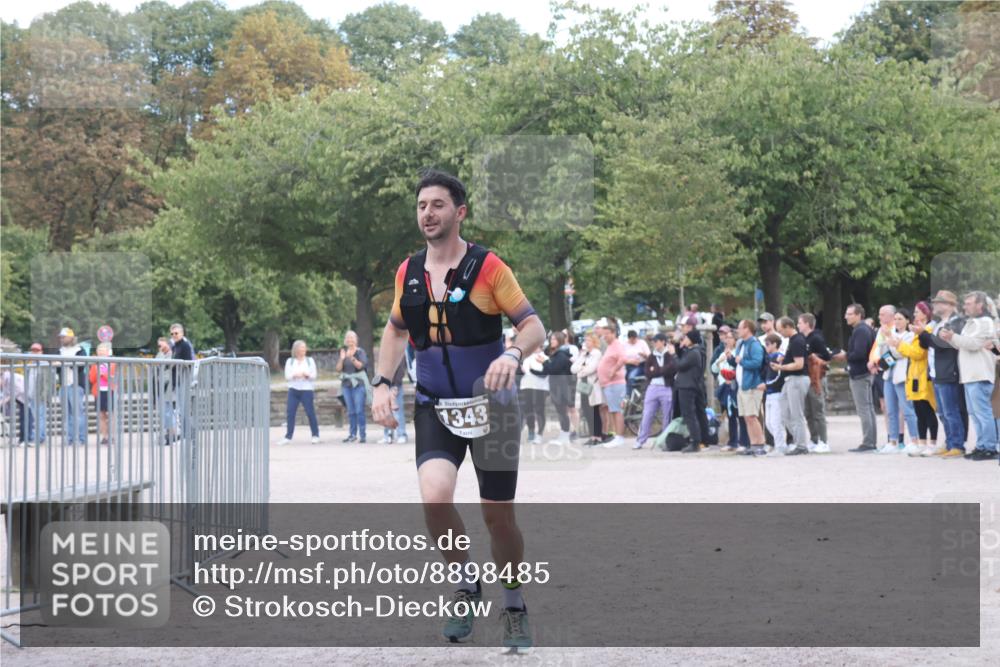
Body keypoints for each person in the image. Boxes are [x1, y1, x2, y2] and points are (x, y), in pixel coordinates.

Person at [369, 170, 545, 650]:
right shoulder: (408, 272)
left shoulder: (489, 268)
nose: (428, 213)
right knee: (435, 497)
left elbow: (533, 327)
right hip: (435, 405)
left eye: (438, 205)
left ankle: (513, 604)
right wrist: (383, 382)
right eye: (422, 205)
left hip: (493, 408)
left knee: (498, 518)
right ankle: (467, 584)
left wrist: (512, 354)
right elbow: (395, 329)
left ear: (459, 212)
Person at [939, 291, 999, 461]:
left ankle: (989, 447)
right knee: (974, 413)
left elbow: (974, 344)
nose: (965, 306)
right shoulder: (970, 323)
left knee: (983, 413)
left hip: (979, 373)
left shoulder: (986, 322)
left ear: (980, 305)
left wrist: (953, 337)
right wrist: (950, 339)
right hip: (969, 374)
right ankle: (981, 445)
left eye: (969, 303)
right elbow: (962, 345)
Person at [918, 291, 967, 457]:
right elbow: (928, 344)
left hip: (948, 370)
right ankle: (949, 441)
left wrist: (924, 334)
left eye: (940, 302)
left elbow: (941, 343)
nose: (936, 305)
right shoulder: (939, 323)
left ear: (950, 305)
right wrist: (922, 334)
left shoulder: (956, 322)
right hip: (937, 370)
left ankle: (957, 444)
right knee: (942, 411)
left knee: (951, 410)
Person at [893, 304, 938, 456]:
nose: (914, 314)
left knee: (928, 410)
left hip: (924, 375)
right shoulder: (916, 332)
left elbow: (919, 353)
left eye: (917, 312)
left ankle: (932, 444)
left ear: (925, 314)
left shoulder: (928, 331)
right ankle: (922, 443)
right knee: (919, 411)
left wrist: (899, 345)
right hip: (914, 375)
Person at [834, 304, 878, 452]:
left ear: (859, 315)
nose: (846, 316)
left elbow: (859, 353)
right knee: (868, 408)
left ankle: (868, 442)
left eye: (850, 314)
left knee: (864, 409)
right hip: (864, 372)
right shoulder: (864, 330)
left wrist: (845, 355)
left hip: (860, 374)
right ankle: (870, 441)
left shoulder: (861, 331)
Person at [876, 308, 920, 454]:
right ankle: (892, 440)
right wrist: (885, 341)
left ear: (907, 320)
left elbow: (899, 353)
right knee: (890, 410)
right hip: (889, 375)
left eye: (900, 319)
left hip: (902, 375)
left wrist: (890, 342)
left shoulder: (910, 336)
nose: (897, 322)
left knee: (907, 409)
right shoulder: (890, 334)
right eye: (895, 319)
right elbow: (883, 353)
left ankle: (915, 439)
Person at [772, 317, 810, 456]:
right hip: (790, 380)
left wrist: (781, 366)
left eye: (781, 330)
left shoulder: (797, 341)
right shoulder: (793, 340)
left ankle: (801, 445)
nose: (780, 333)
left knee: (796, 413)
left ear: (788, 326)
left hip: (797, 379)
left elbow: (799, 364)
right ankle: (799, 440)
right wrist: (784, 359)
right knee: (784, 410)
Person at [634, 333, 676, 450]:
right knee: (647, 414)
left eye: (657, 341)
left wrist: (657, 370)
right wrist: (661, 370)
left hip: (666, 387)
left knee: (666, 415)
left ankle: (664, 440)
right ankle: (640, 440)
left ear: (663, 342)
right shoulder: (651, 356)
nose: (655, 343)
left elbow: (672, 369)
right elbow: (648, 372)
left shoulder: (669, 355)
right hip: (652, 387)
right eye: (654, 341)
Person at [532, 332, 575, 445]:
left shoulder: (561, 355)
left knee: (562, 411)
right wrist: (532, 370)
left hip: (561, 386)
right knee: (560, 411)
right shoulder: (556, 354)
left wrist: (544, 361)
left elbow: (553, 369)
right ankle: (563, 433)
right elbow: (547, 371)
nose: (551, 341)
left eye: (554, 340)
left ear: (560, 341)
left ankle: (565, 435)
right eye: (551, 339)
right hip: (556, 386)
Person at [798, 314, 832, 453]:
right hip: (807, 378)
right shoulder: (802, 339)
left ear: (807, 324)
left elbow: (827, 356)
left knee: (818, 411)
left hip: (816, 378)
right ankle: (814, 439)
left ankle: (824, 441)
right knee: (808, 412)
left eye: (800, 322)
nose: (798, 325)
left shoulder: (816, 338)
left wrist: (815, 357)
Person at [734, 319, 768, 457]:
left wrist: (741, 361)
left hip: (752, 386)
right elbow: (737, 362)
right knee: (747, 417)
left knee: (752, 416)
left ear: (747, 329)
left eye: (740, 327)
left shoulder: (754, 344)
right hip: (742, 386)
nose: (738, 330)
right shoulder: (741, 344)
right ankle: (752, 444)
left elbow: (757, 362)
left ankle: (760, 444)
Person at [278, 340, 320, 446]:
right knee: (290, 413)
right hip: (294, 389)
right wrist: (295, 375)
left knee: (310, 413)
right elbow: (287, 376)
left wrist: (306, 375)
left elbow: (314, 375)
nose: (303, 350)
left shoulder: (310, 361)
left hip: (307, 390)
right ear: (296, 350)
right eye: (301, 348)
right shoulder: (290, 361)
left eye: (304, 348)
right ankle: (288, 436)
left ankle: (315, 435)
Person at [595, 317, 627, 448]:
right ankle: (616, 435)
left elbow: (623, 358)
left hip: (615, 383)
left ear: (613, 333)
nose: (605, 337)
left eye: (607, 335)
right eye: (604, 335)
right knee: (613, 410)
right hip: (608, 383)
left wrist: (613, 370)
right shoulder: (610, 346)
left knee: (616, 410)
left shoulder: (617, 345)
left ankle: (619, 436)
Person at [675, 329, 708, 453]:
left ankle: (695, 442)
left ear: (692, 339)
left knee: (689, 414)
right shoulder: (691, 351)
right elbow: (681, 355)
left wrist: (673, 355)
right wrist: (677, 345)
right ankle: (696, 439)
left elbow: (680, 365)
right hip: (686, 385)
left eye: (686, 338)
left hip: (688, 386)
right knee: (689, 414)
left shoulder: (694, 353)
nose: (684, 340)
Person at [57, 327, 88, 445]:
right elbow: (57, 368)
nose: (61, 339)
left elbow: (80, 366)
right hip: (63, 385)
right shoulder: (60, 350)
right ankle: (69, 438)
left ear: (71, 337)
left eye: (63, 337)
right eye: (60, 337)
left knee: (78, 413)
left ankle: (81, 438)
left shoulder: (80, 350)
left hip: (75, 385)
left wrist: (64, 363)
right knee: (67, 414)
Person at [572, 331, 604, 446]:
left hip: (592, 385)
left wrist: (580, 371)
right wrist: (581, 368)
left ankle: (598, 436)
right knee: (586, 411)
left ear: (594, 342)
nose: (586, 342)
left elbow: (591, 369)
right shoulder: (583, 354)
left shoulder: (596, 353)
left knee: (594, 411)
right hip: (583, 385)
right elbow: (573, 368)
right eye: (586, 340)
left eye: (589, 340)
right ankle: (592, 436)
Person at [336, 331, 369, 443]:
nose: (350, 340)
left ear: (356, 340)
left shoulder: (360, 352)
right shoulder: (343, 352)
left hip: (358, 384)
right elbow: (338, 369)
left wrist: (352, 358)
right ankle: (352, 434)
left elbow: (362, 366)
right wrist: (342, 358)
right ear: (345, 340)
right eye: (348, 338)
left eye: (352, 338)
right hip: (346, 385)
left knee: (359, 410)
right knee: (351, 411)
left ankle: (363, 435)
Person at [711, 327, 739, 450]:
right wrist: (718, 362)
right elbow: (713, 369)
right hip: (724, 386)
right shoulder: (722, 352)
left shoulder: (738, 352)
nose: (726, 340)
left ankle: (741, 441)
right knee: (729, 414)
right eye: (725, 338)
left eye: (729, 338)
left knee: (738, 414)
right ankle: (732, 441)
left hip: (734, 385)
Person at [169, 323, 194, 443]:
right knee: (180, 408)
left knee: (184, 408)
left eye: (176, 333)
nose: (174, 335)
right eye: (172, 333)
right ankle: (185, 433)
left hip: (183, 379)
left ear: (182, 333)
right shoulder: (174, 346)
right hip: (177, 380)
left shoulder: (185, 345)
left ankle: (187, 433)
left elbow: (189, 363)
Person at [88, 342, 117, 446]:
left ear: (107, 352)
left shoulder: (112, 363)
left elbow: (112, 377)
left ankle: (113, 436)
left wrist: (103, 374)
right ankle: (104, 436)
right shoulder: (95, 365)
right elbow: (91, 379)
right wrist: (97, 372)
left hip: (110, 390)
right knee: (101, 415)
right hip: (99, 391)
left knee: (112, 414)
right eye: (99, 351)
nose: (101, 353)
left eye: (103, 351)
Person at [520, 346, 550, 445]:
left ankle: (540, 434)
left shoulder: (545, 358)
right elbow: (525, 370)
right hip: (527, 386)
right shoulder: (527, 358)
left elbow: (543, 372)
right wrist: (530, 371)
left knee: (539, 410)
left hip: (541, 387)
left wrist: (531, 370)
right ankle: (531, 431)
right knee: (528, 409)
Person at [762, 333, 786, 451]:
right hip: (769, 394)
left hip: (776, 393)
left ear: (775, 344)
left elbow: (779, 375)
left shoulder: (778, 356)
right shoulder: (770, 357)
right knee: (768, 423)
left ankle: (780, 446)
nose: (766, 347)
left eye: (767, 344)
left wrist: (767, 385)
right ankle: (780, 444)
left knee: (776, 421)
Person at [25, 343, 52, 446]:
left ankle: (39, 437)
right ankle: (38, 436)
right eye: (33, 351)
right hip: (31, 395)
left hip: (39, 395)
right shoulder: (30, 364)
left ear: (41, 352)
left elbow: (47, 382)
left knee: (40, 416)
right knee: (35, 417)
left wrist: (43, 395)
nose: (35, 353)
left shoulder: (44, 364)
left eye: (37, 351)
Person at [380, 358, 409, 444]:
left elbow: (401, 370)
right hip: (385, 385)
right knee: (386, 411)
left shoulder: (399, 352)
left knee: (398, 412)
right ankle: (387, 435)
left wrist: (396, 385)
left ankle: (401, 434)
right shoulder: (386, 351)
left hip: (395, 385)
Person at [0, 369, 26, 445]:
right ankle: (22, 439)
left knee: (25, 418)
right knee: (21, 418)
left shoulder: (10, 378)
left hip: (25, 399)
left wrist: (6, 399)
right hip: (20, 399)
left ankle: (25, 439)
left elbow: (18, 390)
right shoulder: (6, 379)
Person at [622, 329, 650, 396]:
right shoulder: (624, 345)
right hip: (628, 365)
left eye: (635, 339)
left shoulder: (642, 343)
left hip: (640, 364)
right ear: (629, 339)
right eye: (632, 339)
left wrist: (644, 355)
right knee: (624, 377)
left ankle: (628, 395)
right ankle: (628, 394)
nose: (634, 341)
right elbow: (622, 358)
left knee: (631, 376)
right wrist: (630, 361)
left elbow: (649, 356)